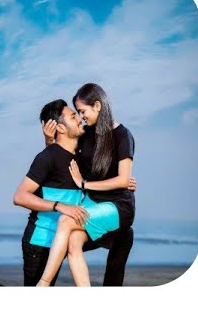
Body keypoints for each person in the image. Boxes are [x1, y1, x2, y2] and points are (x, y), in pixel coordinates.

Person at [13, 100, 122, 287]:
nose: (79, 119)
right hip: (40, 240)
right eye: (73, 116)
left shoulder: (81, 159)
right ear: (60, 128)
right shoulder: (47, 157)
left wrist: (121, 183)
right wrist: (60, 206)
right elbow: (20, 196)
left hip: (62, 238)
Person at [41, 83, 138, 284]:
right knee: (73, 243)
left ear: (97, 105)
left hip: (118, 206)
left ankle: (44, 283)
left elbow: (122, 180)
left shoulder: (123, 135)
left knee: (65, 220)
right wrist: (49, 141)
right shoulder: (84, 135)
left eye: (83, 111)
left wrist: (85, 184)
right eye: (77, 112)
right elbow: (60, 156)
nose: (81, 116)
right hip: (93, 203)